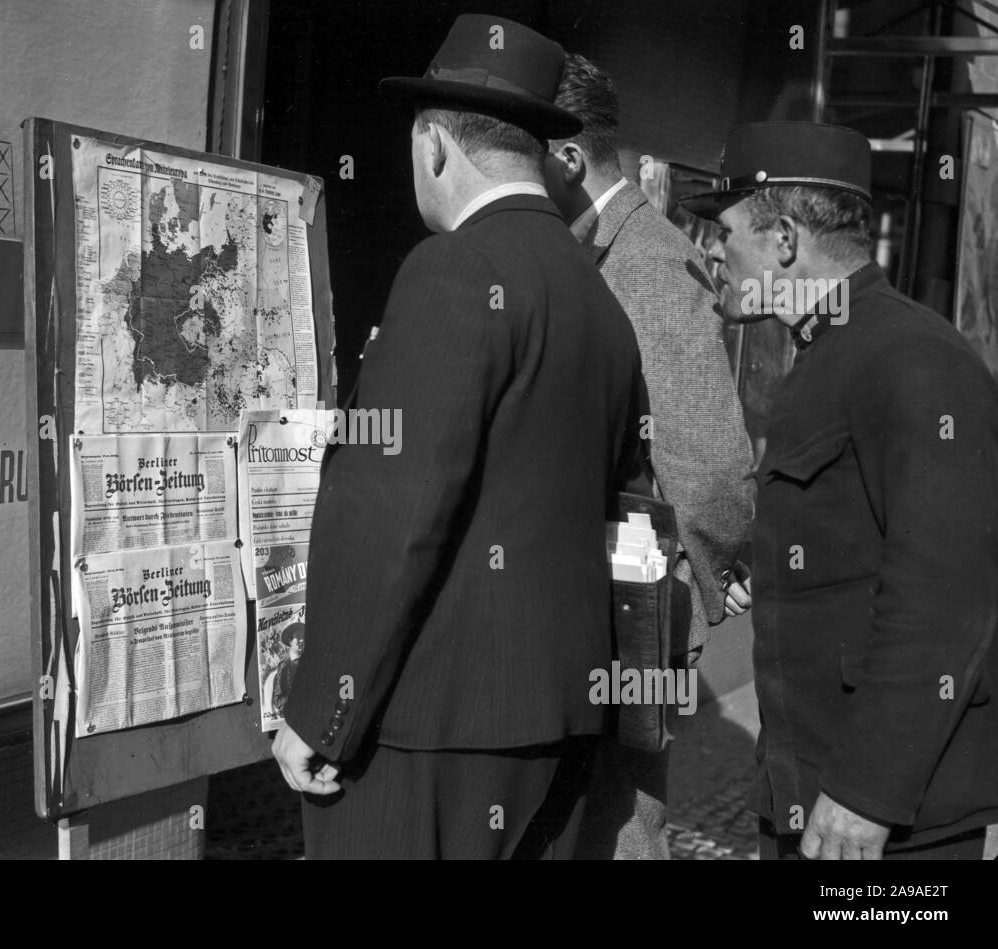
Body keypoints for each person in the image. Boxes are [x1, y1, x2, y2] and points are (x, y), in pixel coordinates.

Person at [270, 14, 645, 859]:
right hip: (555, 723)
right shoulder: (598, 302)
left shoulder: (453, 269)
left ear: (435, 146)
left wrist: (322, 706)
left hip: (428, 729)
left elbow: (391, 511)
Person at [682, 121, 998, 859]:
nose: (713, 254)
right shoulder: (833, 352)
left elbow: (949, 596)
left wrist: (868, 792)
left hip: (884, 825)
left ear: (784, 239)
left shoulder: (912, 358)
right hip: (809, 796)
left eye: (725, 233)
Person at [543, 53, 756, 859]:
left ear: (568, 157)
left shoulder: (649, 258)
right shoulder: (592, 244)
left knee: (622, 823)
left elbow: (707, 460)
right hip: (598, 609)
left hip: (638, 608)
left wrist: (713, 565)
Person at [269, 622, 303, 718]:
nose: (302, 640)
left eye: (303, 636)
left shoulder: (310, 662)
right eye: (298, 637)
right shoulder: (284, 666)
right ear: (290, 641)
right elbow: (278, 702)